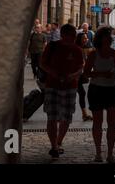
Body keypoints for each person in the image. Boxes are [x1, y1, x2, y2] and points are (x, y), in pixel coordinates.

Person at [40, 24, 84, 159]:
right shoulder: (52, 46)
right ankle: (54, 146)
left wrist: (71, 76)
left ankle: (58, 142)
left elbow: (81, 68)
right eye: (72, 36)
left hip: (70, 86)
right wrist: (53, 73)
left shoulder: (77, 50)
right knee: (52, 116)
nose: (74, 38)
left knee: (66, 117)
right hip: (52, 85)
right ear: (64, 35)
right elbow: (43, 63)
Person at [83, 26, 115, 163]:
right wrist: (102, 74)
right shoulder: (94, 54)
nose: (109, 37)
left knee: (112, 123)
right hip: (97, 89)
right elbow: (86, 73)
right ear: (100, 39)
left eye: (109, 36)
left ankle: (110, 153)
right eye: (106, 35)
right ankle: (98, 152)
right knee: (98, 122)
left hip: (112, 89)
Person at [76, 33, 93, 121]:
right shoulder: (78, 49)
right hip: (74, 76)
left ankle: (84, 114)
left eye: (87, 38)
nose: (86, 40)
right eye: (84, 38)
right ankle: (84, 114)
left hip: (77, 76)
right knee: (81, 93)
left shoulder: (82, 49)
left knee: (82, 93)